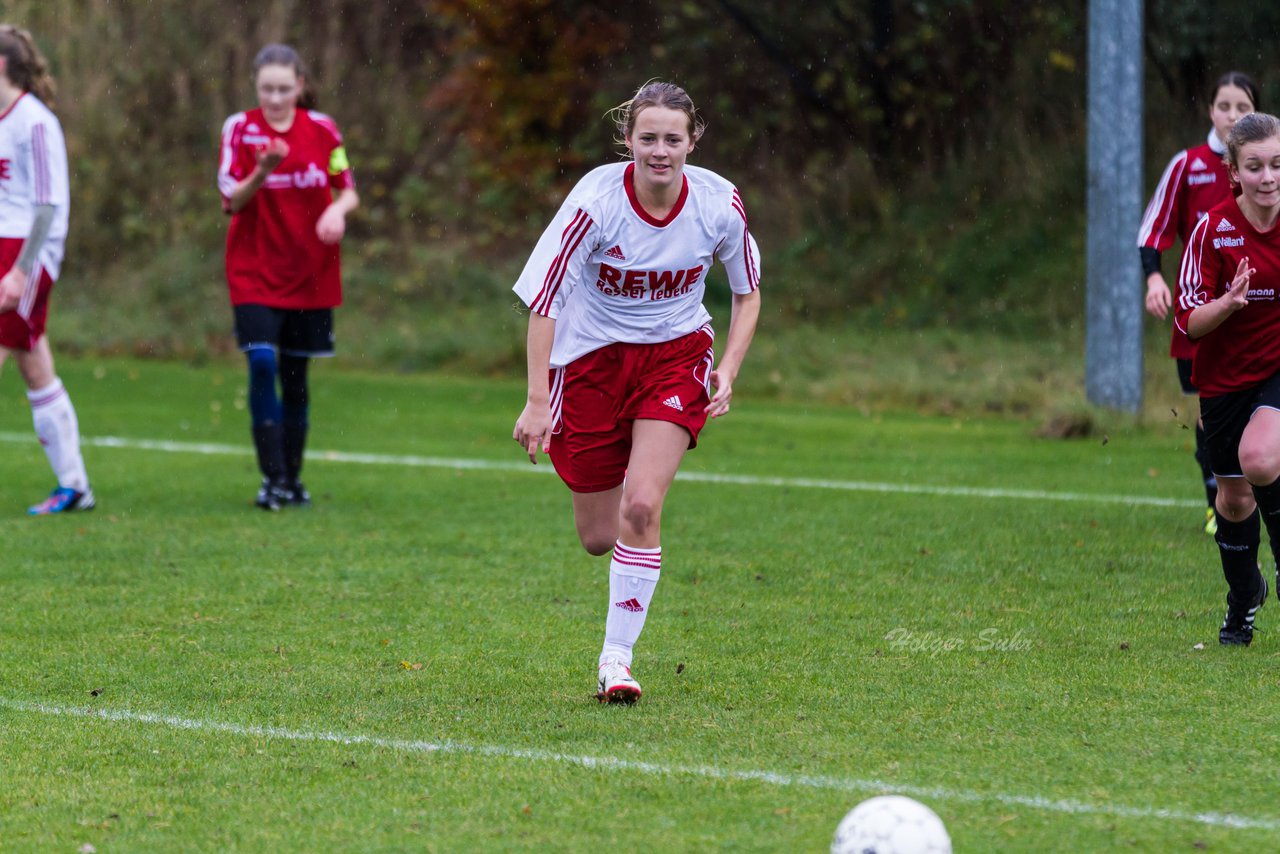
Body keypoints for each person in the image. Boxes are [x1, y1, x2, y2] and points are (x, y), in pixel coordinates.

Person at [512, 81, 762, 702]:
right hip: (591, 362)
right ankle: (623, 490)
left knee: (643, 507)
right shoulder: (595, 202)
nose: (660, 150)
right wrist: (539, 401)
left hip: (676, 358)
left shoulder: (718, 203)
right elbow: (543, 303)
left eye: (672, 139)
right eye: (647, 138)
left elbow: (746, 290)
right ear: (628, 141)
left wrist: (728, 365)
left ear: (692, 141)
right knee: (600, 537)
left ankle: (616, 661)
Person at [217, 44, 357, 511]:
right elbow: (233, 201)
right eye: (266, 89)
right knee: (260, 363)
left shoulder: (323, 129)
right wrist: (262, 171)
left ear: (299, 85)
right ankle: (272, 479)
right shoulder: (240, 130)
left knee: (296, 376)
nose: (274, 98)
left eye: (283, 88)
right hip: (254, 271)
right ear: (256, 87)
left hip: (310, 274)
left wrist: (337, 211)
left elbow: (347, 190)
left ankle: (293, 480)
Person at [1139, 71, 1260, 536]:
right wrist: (1153, 278)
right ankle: (1219, 501)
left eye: (1243, 108)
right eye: (1224, 106)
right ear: (1210, 110)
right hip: (1203, 315)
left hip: (1259, 313)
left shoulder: (1264, 169)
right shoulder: (1188, 166)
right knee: (1208, 411)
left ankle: (1255, 493)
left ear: (1257, 113)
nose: (1232, 116)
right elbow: (1153, 229)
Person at [1176, 111, 1280, 646]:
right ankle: (1245, 598)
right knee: (1234, 499)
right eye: (1256, 166)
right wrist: (1228, 303)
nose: (1269, 177)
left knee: (1262, 458)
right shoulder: (1212, 228)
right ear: (1234, 172)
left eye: (1278, 165)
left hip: (1276, 372)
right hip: (1224, 381)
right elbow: (1188, 321)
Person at [0, 25, 94, 516]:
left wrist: (20, 271)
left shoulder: (34, 122)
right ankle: (74, 485)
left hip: (25, 255)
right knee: (34, 363)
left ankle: (75, 486)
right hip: (3, 247)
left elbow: (46, 205)